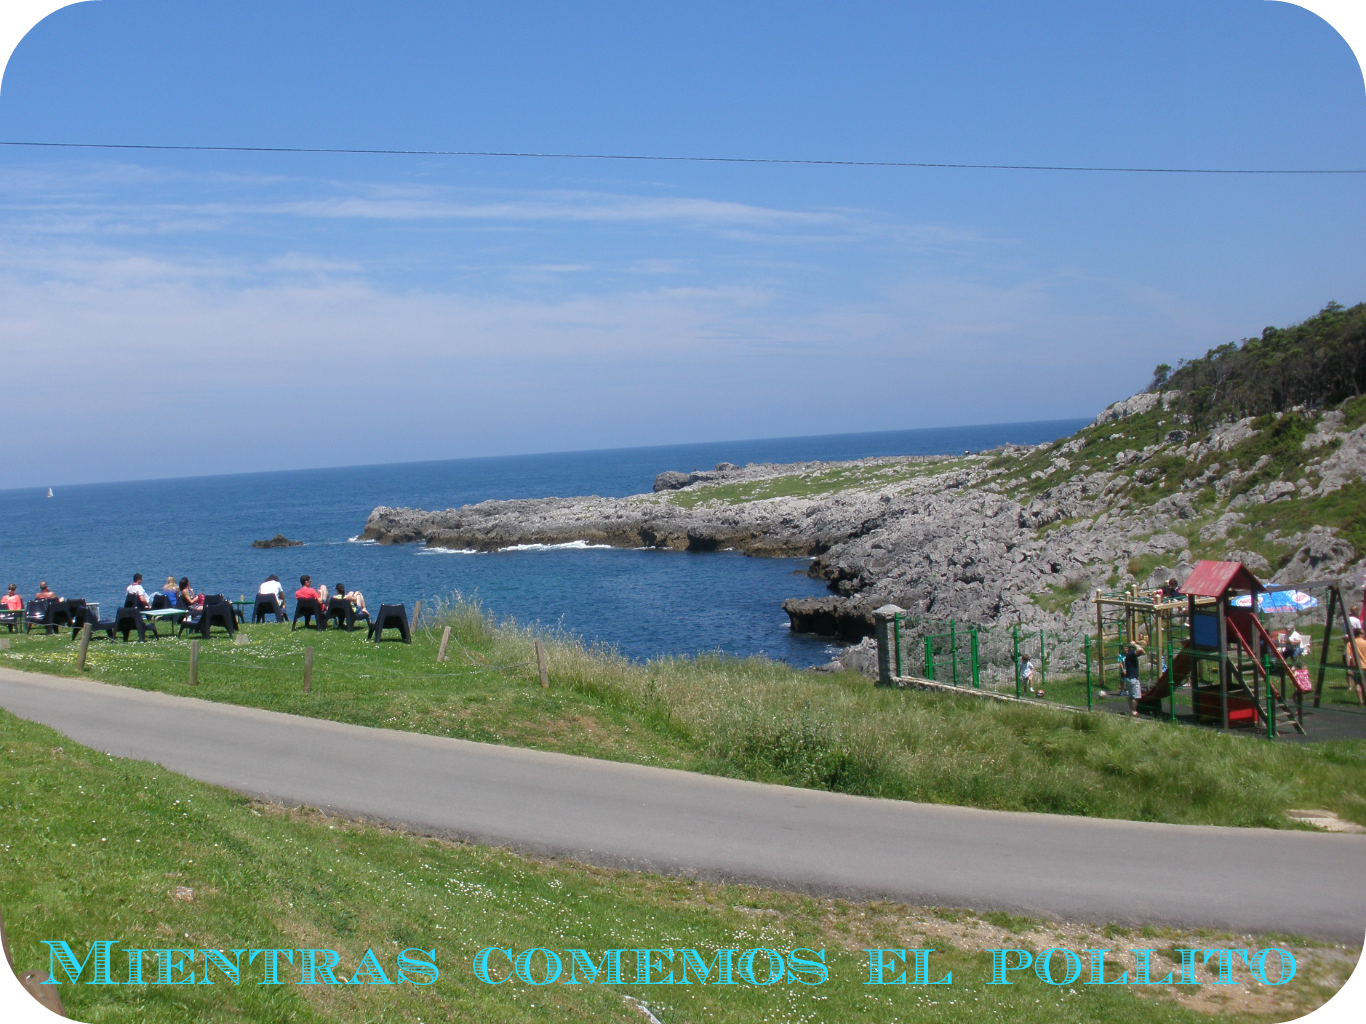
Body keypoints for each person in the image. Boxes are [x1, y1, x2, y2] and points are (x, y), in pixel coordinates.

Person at [1122, 642, 1146, 716]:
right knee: (1136, 696)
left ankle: (1132, 710)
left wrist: (1136, 645)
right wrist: (1135, 644)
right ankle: (1133, 711)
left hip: (1129, 678)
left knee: (1131, 696)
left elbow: (1143, 652)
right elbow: (1140, 649)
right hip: (1133, 678)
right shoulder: (1130, 654)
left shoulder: (1130, 655)